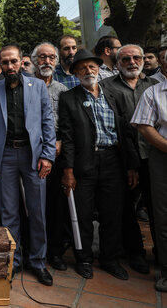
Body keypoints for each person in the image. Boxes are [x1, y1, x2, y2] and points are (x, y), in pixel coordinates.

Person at [59, 49, 139, 281]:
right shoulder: (69, 98)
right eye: (82, 68)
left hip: (113, 161)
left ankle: (110, 258)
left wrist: (131, 166)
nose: (88, 71)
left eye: (92, 67)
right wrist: (68, 171)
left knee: (112, 213)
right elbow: (68, 136)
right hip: (84, 162)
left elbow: (125, 132)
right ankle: (83, 259)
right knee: (83, 213)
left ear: (98, 69)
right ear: (75, 73)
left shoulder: (112, 95)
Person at [0, 43, 56, 286]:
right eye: (5, 62)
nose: (10, 66)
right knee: (9, 212)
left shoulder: (37, 87)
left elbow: (47, 122)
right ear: (1, 65)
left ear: (22, 61)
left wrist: (47, 155)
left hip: (33, 155)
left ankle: (38, 261)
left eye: (14, 61)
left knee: (37, 211)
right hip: (5, 155)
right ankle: (13, 262)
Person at [102, 45, 156, 274]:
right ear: (117, 63)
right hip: (124, 158)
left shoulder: (154, 87)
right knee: (126, 208)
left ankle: (161, 252)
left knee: (157, 208)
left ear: (143, 60)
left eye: (136, 58)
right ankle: (135, 252)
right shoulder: (106, 88)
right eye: (126, 59)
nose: (132, 62)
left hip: (155, 156)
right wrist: (131, 163)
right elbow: (114, 127)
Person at [30, 42, 69, 271]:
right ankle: (33, 251)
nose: (47, 61)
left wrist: (61, 141)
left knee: (55, 207)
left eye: (51, 57)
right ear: (34, 60)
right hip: (30, 155)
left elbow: (66, 124)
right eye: (42, 57)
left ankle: (54, 252)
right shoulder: (26, 86)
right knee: (33, 208)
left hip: (55, 154)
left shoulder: (62, 91)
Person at [131, 61, 167, 291]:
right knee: (164, 216)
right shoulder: (153, 92)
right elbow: (144, 126)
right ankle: (166, 270)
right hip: (163, 157)